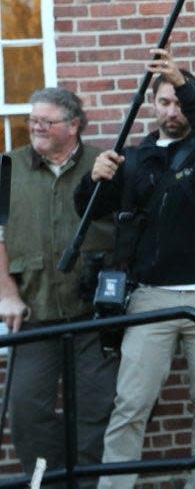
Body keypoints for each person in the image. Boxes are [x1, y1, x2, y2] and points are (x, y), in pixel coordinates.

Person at [75, 49, 195, 489]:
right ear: (152, 105)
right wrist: (93, 178)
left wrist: (185, 87)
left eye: (180, 102)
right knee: (130, 404)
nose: (172, 111)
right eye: (164, 102)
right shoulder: (134, 158)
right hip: (150, 297)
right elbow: (86, 211)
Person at [0, 87, 117, 485]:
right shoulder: (8, 167)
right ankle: (48, 483)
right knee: (27, 411)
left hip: (93, 316)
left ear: (74, 126)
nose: (36, 127)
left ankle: (87, 485)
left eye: (46, 121)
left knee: (96, 410)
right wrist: (7, 293)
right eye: (33, 119)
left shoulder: (104, 164)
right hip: (35, 316)